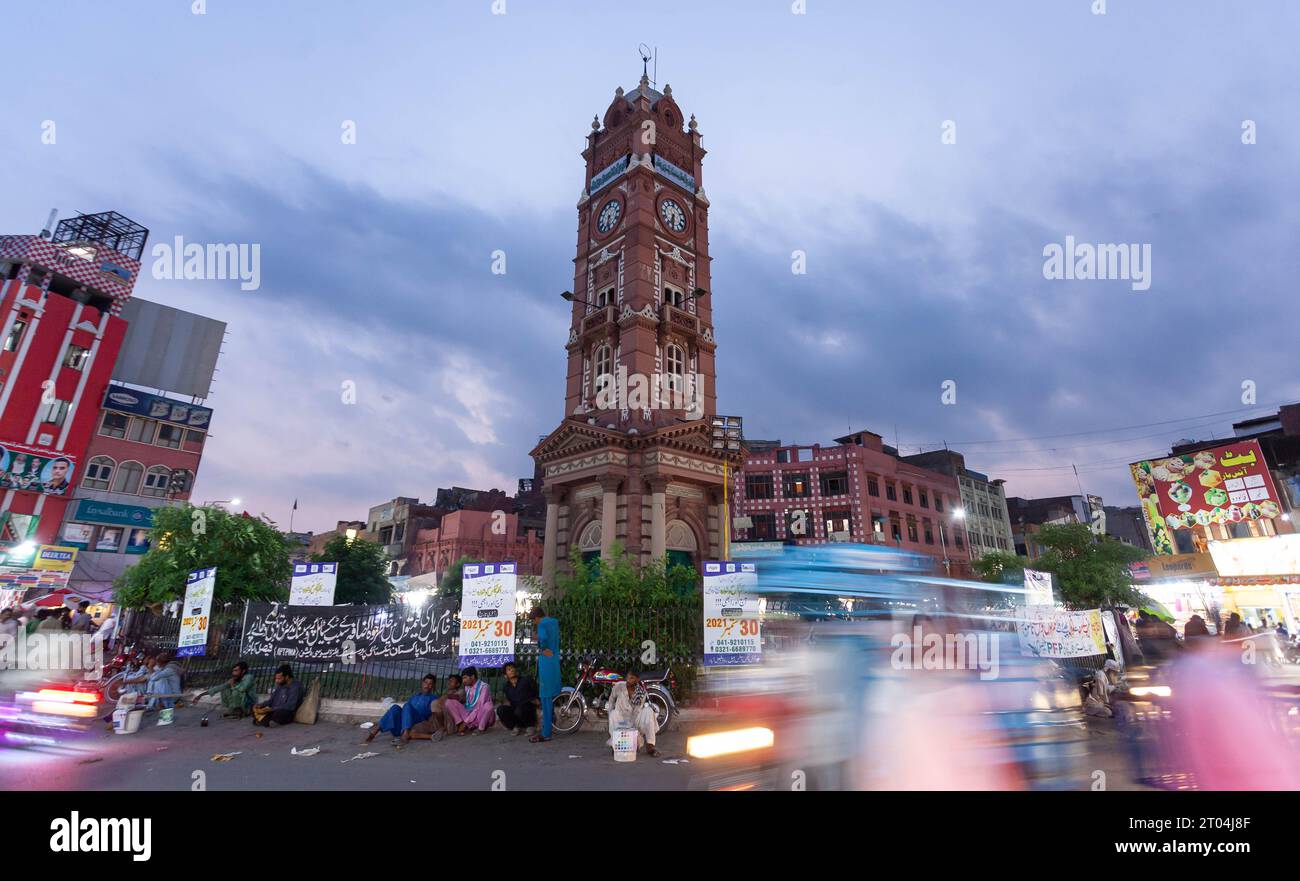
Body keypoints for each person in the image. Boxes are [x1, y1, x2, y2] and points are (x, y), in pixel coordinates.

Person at [366, 674, 439, 745]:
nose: (427, 685)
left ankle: (405, 735)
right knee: (395, 707)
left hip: (416, 723)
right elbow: (405, 712)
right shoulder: (414, 697)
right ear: (422, 683)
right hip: (400, 728)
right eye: (426, 682)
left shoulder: (434, 699)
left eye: (430, 684)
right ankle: (375, 731)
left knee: (407, 706)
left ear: (433, 686)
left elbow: (435, 715)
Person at [606, 669, 657, 756]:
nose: (628, 680)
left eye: (632, 678)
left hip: (634, 720)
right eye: (628, 677)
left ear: (637, 680)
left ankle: (650, 746)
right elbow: (611, 701)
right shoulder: (618, 686)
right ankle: (615, 744)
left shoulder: (641, 692)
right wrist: (610, 715)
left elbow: (637, 711)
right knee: (613, 714)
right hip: (621, 719)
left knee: (648, 711)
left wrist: (633, 733)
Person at [530, 606, 560, 743]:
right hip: (554, 661)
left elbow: (542, 638)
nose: (535, 623)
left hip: (546, 662)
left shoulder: (542, 624)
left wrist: (539, 643)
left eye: (534, 621)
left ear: (537, 618)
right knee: (550, 697)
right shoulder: (554, 622)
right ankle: (549, 725)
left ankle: (546, 732)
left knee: (545, 699)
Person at [405, 673, 463, 743]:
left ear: (458, 684)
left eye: (451, 681)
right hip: (433, 721)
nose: (448, 683)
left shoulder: (461, 691)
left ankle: (442, 728)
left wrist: (447, 696)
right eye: (448, 681)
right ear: (422, 683)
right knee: (411, 731)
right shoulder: (415, 697)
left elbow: (457, 697)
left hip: (446, 720)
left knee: (435, 704)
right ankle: (432, 736)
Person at [444, 666, 494, 734]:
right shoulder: (467, 687)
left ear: (472, 677)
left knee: (488, 705)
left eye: (465, 678)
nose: (463, 681)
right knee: (449, 702)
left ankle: (480, 728)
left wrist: (466, 722)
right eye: (463, 678)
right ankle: (460, 725)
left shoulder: (484, 687)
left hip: (479, 715)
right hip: (469, 713)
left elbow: (479, 707)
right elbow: (468, 704)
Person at [496, 662, 539, 736]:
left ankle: (530, 726)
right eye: (509, 669)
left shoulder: (526, 680)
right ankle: (517, 726)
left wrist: (537, 702)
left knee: (520, 709)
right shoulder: (506, 687)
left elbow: (536, 693)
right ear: (505, 675)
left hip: (528, 709)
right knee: (500, 709)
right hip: (516, 709)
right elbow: (510, 701)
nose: (512, 670)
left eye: (513, 668)